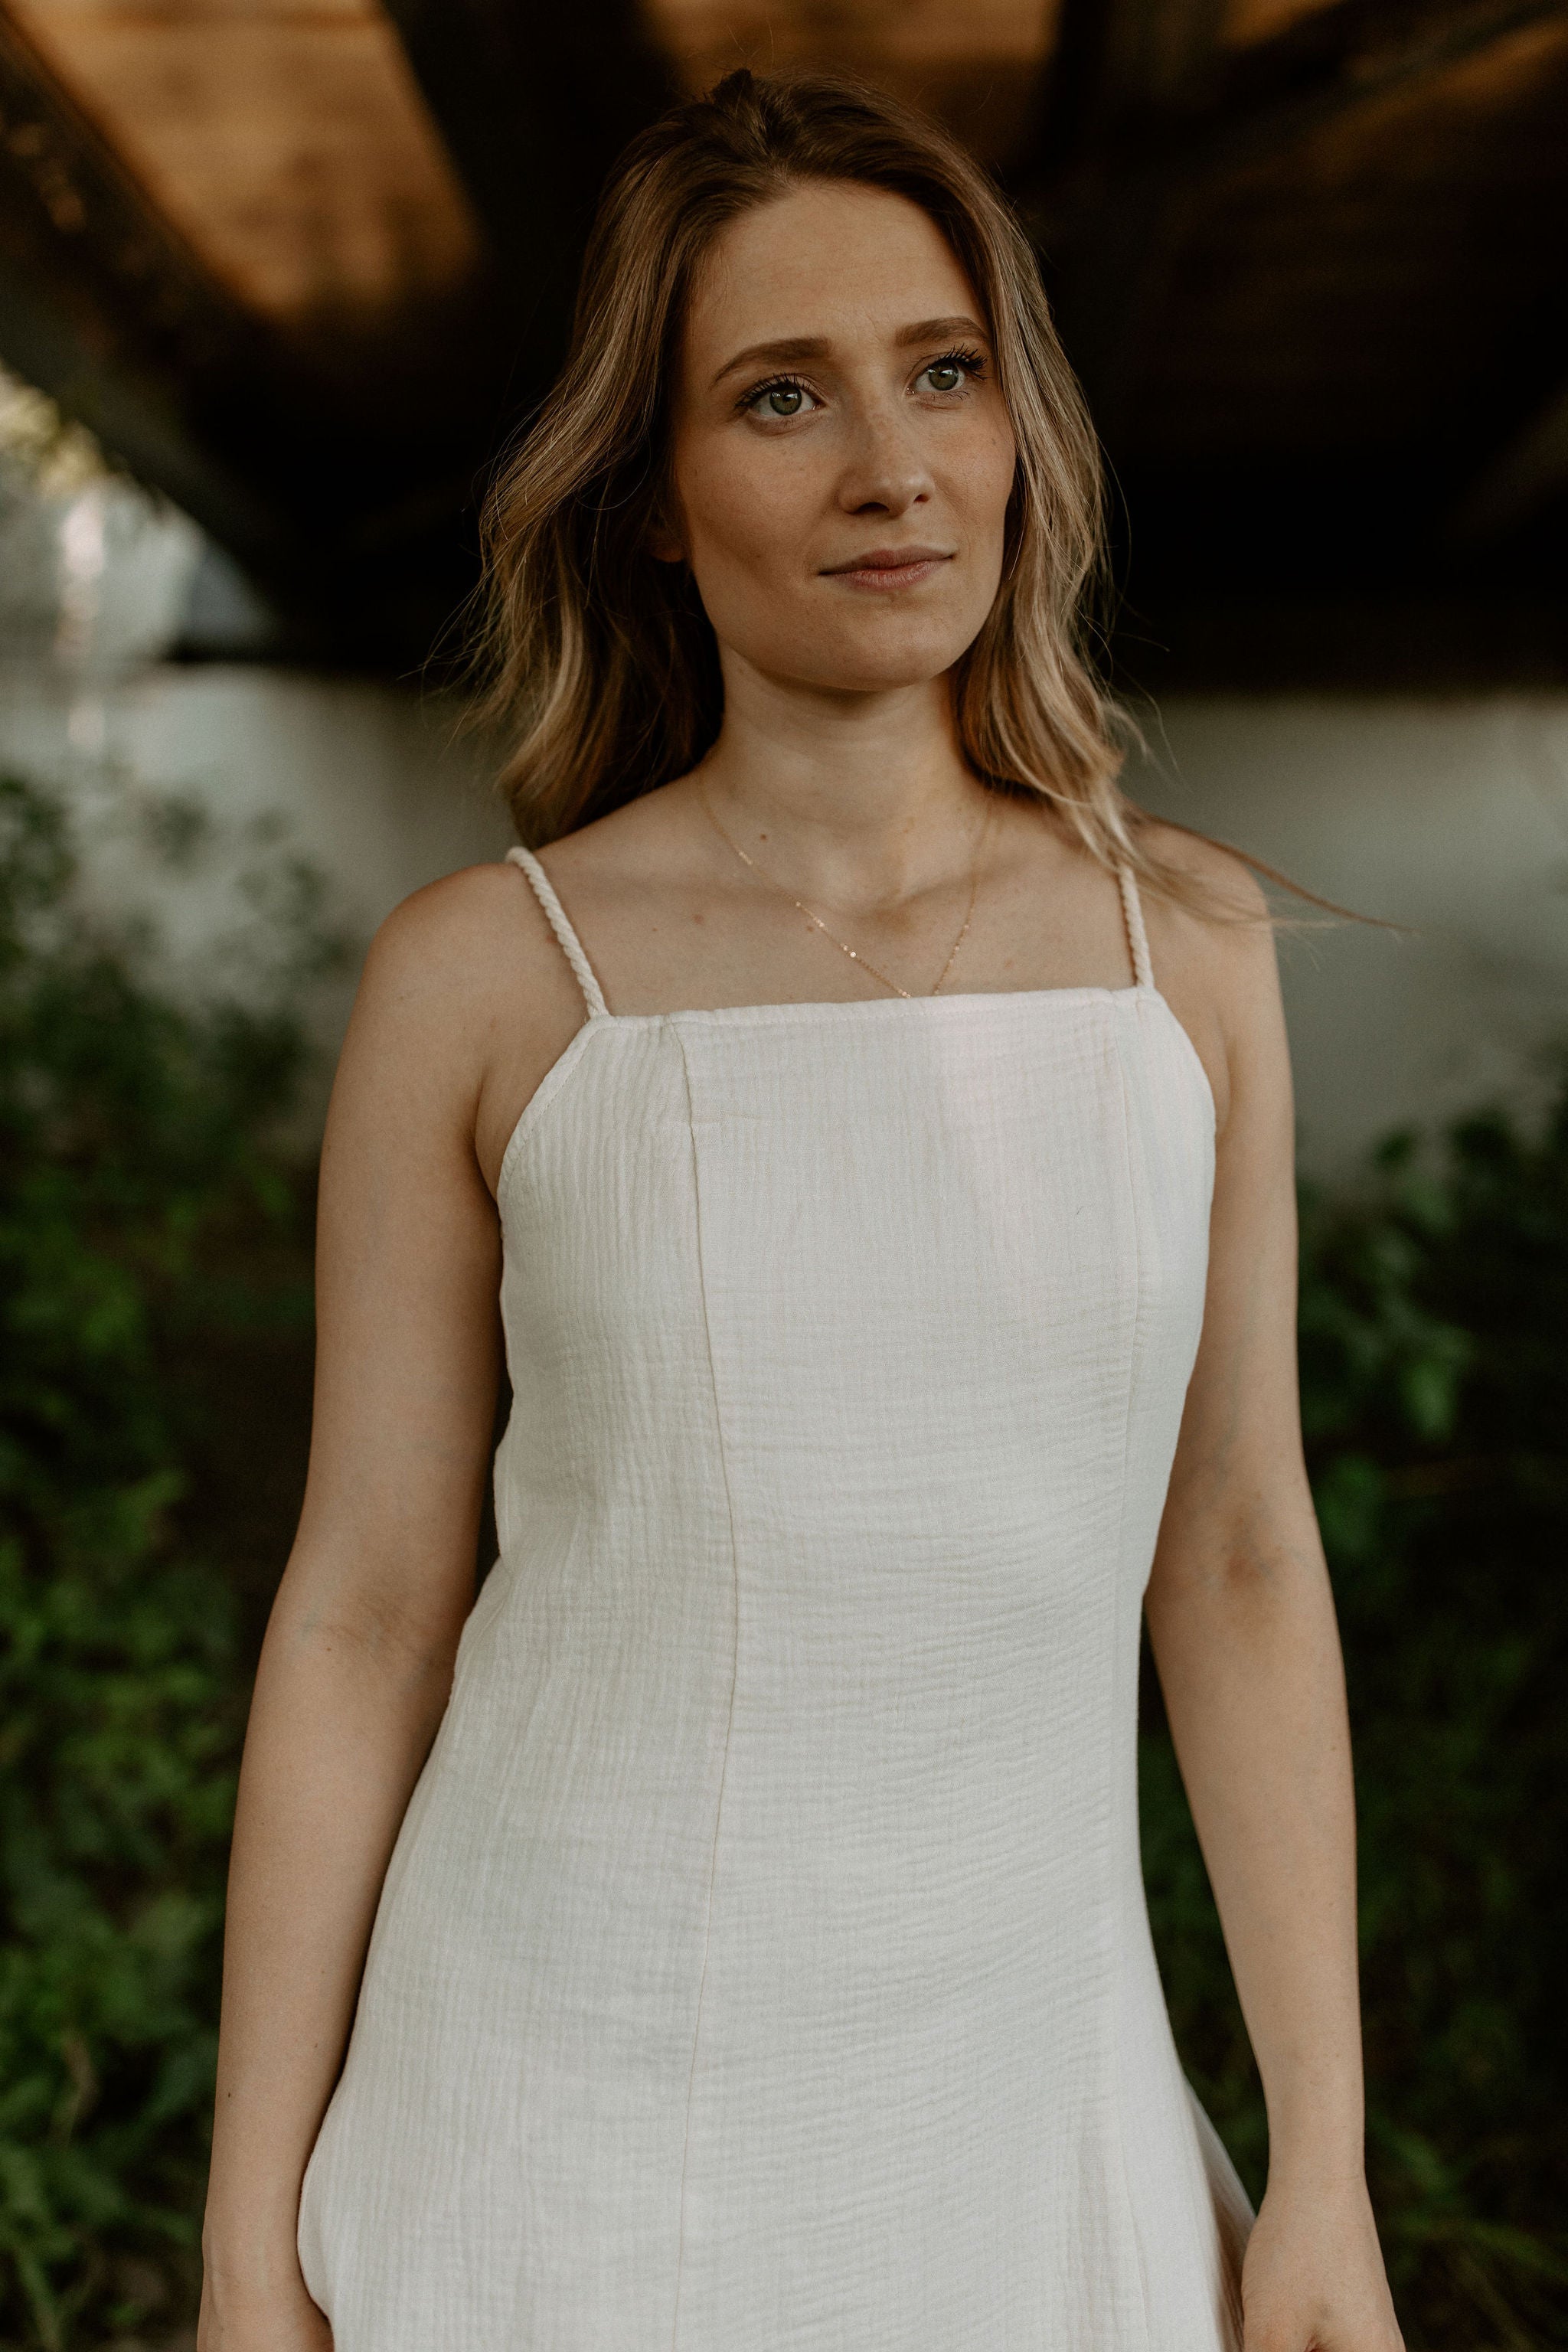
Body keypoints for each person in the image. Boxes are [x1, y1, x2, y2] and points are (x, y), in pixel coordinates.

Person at [198, 67, 1405, 2352]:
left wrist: (1324, 2167)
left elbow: (1241, 1554)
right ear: (651, 497)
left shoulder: (1185, 950)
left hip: (1029, 2133)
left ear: (1020, 427)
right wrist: (249, 2236)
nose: (892, 464)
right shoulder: (485, 980)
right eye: (782, 395)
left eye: (944, 373)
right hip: (546, 2127)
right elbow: (363, 1609)